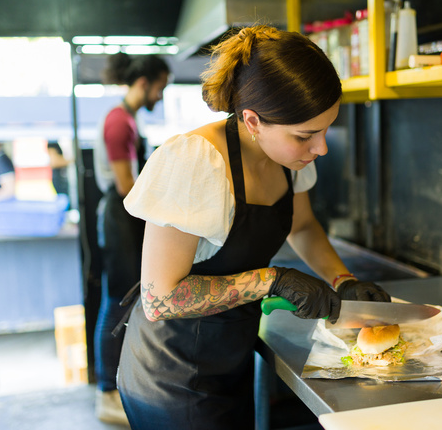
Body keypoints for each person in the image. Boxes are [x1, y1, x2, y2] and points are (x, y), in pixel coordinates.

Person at [117, 25, 390, 430]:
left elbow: (303, 226)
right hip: (171, 375)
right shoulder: (195, 162)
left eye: (326, 128)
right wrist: (272, 280)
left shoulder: (287, 160)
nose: (321, 148)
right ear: (253, 120)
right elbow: (161, 300)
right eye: (306, 135)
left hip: (229, 357)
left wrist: (344, 279)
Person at [93, 52, 170, 424]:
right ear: (144, 83)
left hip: (126, 217)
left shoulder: (127, 119)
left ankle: (118, 385)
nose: (160, 96)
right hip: (119, 218)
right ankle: (107, 391)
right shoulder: (118, 123)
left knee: (124, 299)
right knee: (116, 301)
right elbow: (126, 186)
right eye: (160, 87)